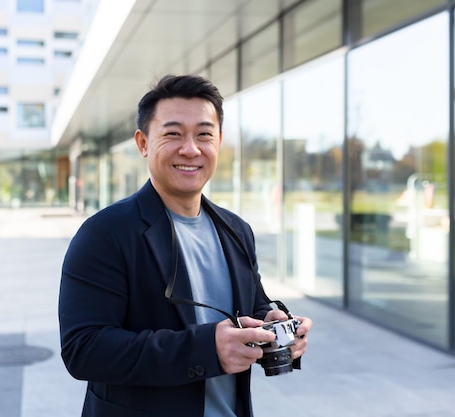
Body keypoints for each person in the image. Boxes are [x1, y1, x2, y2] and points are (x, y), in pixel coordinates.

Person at [58, 74, 313, 417]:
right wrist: (206, 349)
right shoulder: (105, 233)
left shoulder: (237, 229)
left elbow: (251, 304)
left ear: (219, 142)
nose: (191, 149)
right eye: (173, 134)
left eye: (204, 134)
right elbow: (84, 349)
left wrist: (274, 322)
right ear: (143, 143)